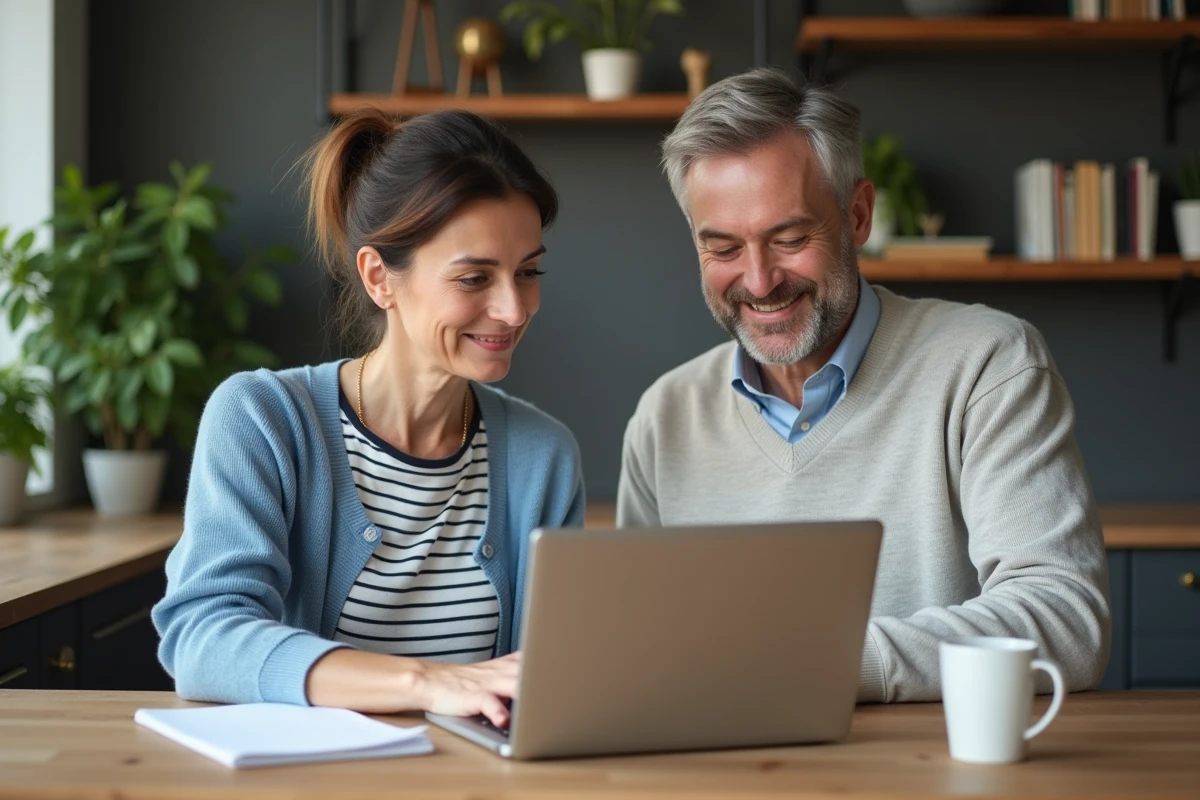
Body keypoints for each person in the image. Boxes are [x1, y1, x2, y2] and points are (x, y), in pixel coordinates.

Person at [617, 68, 1110, 703]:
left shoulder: (988, 365)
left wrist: (826, 665)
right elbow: (639, 638)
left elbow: (1066, 620)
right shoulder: (665, 416)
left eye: (790, 238)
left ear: (857, 215)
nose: (760, 281)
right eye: (724, 249)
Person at [153, 109, 584, 728]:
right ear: (380, 277)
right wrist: (426, 682)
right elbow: (204, 639)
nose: (514, 309)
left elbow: (552, 674)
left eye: (529, 272)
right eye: (474, 277)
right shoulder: (264, 419)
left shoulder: (544, 457)